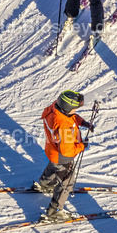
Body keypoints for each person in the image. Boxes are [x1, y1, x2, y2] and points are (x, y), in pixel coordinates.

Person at [32, 90, 92, 222]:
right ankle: (55, 211)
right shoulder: (63, 126)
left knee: (53, 166)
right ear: (67, 108)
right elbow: (67, 151)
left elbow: (72, 117)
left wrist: (83, 123)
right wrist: (82, 146)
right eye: (75, 109)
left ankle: (44, 183)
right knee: (66, 181)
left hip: (52, 151)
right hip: (63, 157)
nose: (76, 111)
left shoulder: (55, 108)